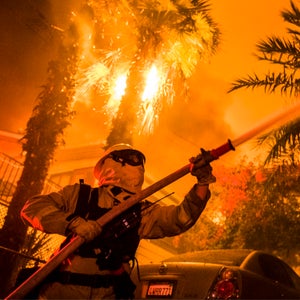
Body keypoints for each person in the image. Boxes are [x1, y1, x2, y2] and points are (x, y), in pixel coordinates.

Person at [20, 143, 216, 299]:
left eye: (140, 161)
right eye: (131, 158)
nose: (138, 164)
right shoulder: (80, 196)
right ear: (111, 163)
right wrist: (73, 223)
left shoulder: (142, 210)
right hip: (62, 294)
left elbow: (180, 219)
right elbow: (32, 208)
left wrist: (203, 182)